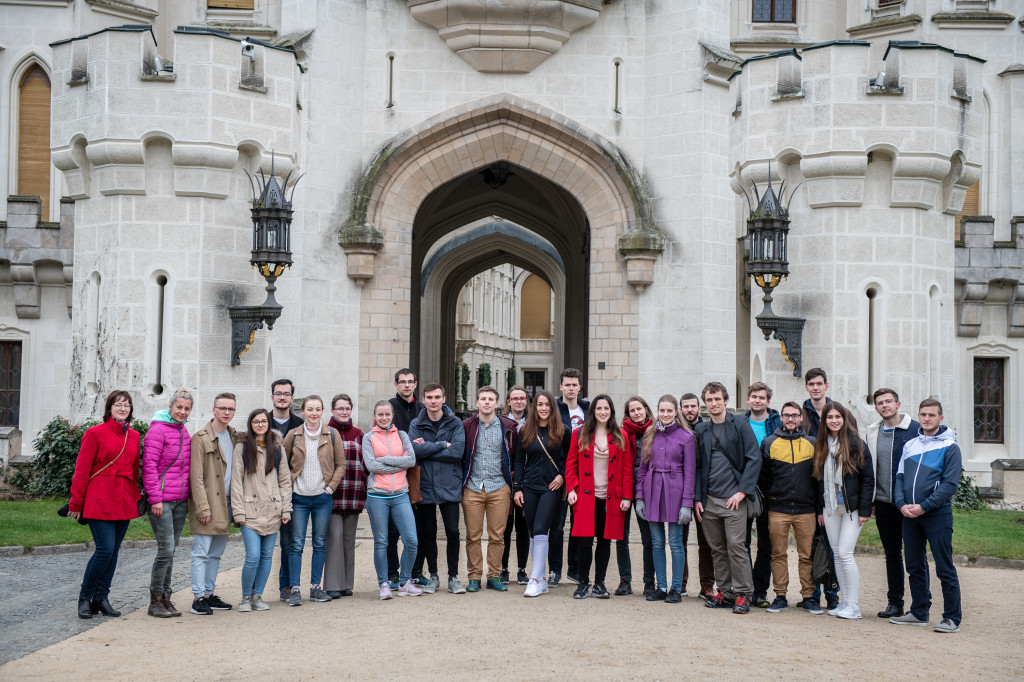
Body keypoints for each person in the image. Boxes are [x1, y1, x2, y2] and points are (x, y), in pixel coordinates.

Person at [67, 390, 142, 619]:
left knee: (114, 552)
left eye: (127, 405)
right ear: (109, 407)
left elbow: (134, 469)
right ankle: (85, 597)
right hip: (99, 497)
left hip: (124, 498)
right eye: (118, 404)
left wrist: (136, 497)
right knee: (104, 550)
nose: (123, 408)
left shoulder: (135, 436)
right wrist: (77, 503)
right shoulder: (94, 433)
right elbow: (82, 471)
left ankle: (101, 598)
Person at [890, 399, 962, 633]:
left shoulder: (950, 447)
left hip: (937, 514)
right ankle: (919, 612)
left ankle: (952, 618)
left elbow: (949, 485)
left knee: (944, 567)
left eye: (932, 415)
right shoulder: (911, 444)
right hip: (909, 514)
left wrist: (924, 506)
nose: (927, 419)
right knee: (914, 565)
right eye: (923, 414)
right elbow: (899, 477)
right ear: (919, 416)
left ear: (940, 418)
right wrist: (901, 504)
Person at [694, 382, 761, 614]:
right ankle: (726, 592)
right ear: (705, 403)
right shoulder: (702, 429)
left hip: (734, 498)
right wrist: (697, 498)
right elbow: (698, 466)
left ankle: (743, 594)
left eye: (717, 399)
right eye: (709, 400)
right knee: (717, 548)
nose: (713, 403)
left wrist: (742, 491)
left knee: (736, 546)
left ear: (726, 401)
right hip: (709, 499)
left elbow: (754, 458)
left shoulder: (740, 424)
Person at [565, 395, 632, 599]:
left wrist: (626, 497)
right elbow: (570, 465)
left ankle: (600, 584)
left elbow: (627, 469)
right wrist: (571, 489)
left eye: (606, 408)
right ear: (593, 411)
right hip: (586, 496)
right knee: (585, 540)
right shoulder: (580, 434)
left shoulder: (621, 436)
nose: (603, 412)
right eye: (599, 408)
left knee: (605, 540)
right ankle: (583, 582)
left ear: (611, 411)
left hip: (611, 497)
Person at [283, 395, 347, 606]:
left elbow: (340, 465)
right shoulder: (293, 435)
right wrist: (289, 490)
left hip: (322, 498)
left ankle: (315, 587)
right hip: (298, 498)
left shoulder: (333, 435)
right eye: (310, 409)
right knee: (297, 544)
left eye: (317, 409)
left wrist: (330, 488)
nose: (313, 413)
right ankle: (294, 589)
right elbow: (283, 466)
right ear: (303, 411)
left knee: (320, 543)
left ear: (323, 411)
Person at [812, 401, 874, 620]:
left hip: (851, 508)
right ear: (825, 421)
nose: (834, 420)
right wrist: (820, 508)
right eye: (830, 417)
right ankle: (845, 602)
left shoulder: (856, 444)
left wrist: (865, 510)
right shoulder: (822, 444)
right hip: (830, 507)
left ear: (844, 419)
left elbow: (868, 480)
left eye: (838, 416)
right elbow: (818, 479)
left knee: (846, 553)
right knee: (837, 554)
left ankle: (854, 606)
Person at [635, 395, 696, 604]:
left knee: (676, 542)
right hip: (653, 491)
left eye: (669, 411)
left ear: (676, 412)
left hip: (676, 492)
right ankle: (661, 586)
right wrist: (640, 497)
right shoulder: (649, 434)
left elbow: (690, 474)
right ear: (657, 411)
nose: (666, 414)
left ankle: (676, 588)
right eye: (662, 411)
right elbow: (642, 470)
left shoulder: (686, 437)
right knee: (657, 542)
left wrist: (687, 503)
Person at [761, 402, 821, 614]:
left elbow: (818, 479)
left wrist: (818, 507)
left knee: (807, 555)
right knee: (778, 554)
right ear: (781, 418)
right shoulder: (770, 443)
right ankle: (780, 596)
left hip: (806, 509)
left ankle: (808, 597)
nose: (790, 419)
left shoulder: (812, 442)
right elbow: (764, 477)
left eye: (795, 415)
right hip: (778, 508)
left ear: (801, 418)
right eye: (786, 415)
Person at [230, 408, 292, 612]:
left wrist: (286, 509)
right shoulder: (242, 447)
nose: (259, 425)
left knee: (267, 557)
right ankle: (245, 597)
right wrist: (238, 512)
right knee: (253, 556)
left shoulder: (277, 448)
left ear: (268, 423)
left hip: (273, 510)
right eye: (255, 421)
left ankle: (258, 595)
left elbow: (284, 481)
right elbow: (236, 482)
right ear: (250, 424)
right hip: (250, 511)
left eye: (263, 421)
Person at [408, 382, 467, 594]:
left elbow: (457, 453)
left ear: (444, 399)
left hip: (449, 484)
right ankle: (433, 575)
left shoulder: (455, 423)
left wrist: (427, 449)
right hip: (424, 485)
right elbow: (414, 451)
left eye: (437, 397)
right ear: (423, 400)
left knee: (452, 531)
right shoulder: (416, 423)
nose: (433, 401)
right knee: (428, 532)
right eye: (429, 398)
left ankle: (453, 577)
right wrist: (442, 444)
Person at [866, 388, 919, 619]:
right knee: (892, 554)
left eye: (889, 401)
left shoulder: (915, 429)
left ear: (898, 404)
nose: (885, 405)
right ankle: (895, 602)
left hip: (908, 504)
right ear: (876, 408)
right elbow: (871, 469)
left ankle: (919, 606)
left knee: (915, 555)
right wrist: (872, 500)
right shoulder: (873, 432)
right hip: (884, 503)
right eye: (880, 403)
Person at [362, 400, 422, 599]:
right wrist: (399, 464)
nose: (384, 418)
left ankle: (404, 581)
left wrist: (385, 460)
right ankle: (383, 584)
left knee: (411, 540)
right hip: (377, 495)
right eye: (380, 414)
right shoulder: (368, 438)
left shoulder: (402, 435)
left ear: (392, 415)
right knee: (381, 541)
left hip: (400, 495)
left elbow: (411, 460)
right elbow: (371, 466)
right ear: (375, 416)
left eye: (387, 414)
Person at [513, 389, 570, 597]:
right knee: (531, 532)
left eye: (547, 405)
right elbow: (519, 460)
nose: (543, 408)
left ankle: (534, 579)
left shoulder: (563, 430)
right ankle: (542, 579)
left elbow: (570, 458)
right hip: (529, 486)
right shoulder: (525, 430)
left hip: (551, 487)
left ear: (552, 407)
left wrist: (562, 476)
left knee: (540, 529)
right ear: (534, 407)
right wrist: (517, 488)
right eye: (540, 405)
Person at [142, 388, 193, 618]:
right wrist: (155, 498)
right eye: (179, 407)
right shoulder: (157, 431)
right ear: (171, 407)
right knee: (166, 549)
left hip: (180, 500)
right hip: (162, 501)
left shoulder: (184, 432)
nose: (182, 411)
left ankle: (166, 598)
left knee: (172, 551)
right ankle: (155, 600)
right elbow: (149, 467)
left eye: (186, 408)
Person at [461, 385, 518, 592]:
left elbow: (515, 457)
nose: (486, 402)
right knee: (473, 535)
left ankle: (494, 575)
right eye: (483, 399)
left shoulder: (508, 427)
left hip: (499, 487)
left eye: (490, 399)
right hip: (473, 486)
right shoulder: (466, 425)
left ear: (497, 403)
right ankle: (474, 576)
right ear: (477, 403)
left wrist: (512, 484)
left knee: (497, 535)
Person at [187, 392, 239, 616]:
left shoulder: (235, 436)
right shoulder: (201, 437)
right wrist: (202, 507)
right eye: (223, 408)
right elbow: (196, 477)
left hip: (228, 503)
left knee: (216, 553)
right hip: (209, 503)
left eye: (231, 409)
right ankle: (197, 597)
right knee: (201, 552)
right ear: (214, 410)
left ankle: (209, 594)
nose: (227, 412)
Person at [801, 367, 840, 610]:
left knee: (833, 544)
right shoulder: (801, 414)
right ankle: (813, 594)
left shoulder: (838, 412)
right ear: (807, 387)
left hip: (833, 484)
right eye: (811, 384)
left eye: (819, 383)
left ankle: (833, 592)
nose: (816, 387)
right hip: (809, 484)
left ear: (826, 385)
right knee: (814, 543)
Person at [323, 393, 367, 598]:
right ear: (332, 411)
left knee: (349, 539)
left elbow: (364, 464)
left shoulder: (359, 434)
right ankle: (333, 584)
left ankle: (347, 583)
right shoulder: (325, 433)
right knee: (334, 538)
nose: (343, 412)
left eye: (347, 409)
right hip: (331, 494)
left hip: (354, 493)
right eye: (340, 408)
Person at [744, 382, 780, 608]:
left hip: (770, 487)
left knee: (766, 544)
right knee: (743, 541)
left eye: (762, 397)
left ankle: (760, 590)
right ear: (748, 399)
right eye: (754, 397)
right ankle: (745, 587)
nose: (757, 400)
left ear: (768, 401)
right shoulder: (739, 422)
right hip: (745, 486)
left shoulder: (776, 423)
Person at [551, 368, 589, 585]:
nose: (571, 388)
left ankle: (574, 569)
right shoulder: (554, 408)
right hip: (559, 472)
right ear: (561, 387)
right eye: (567, 384)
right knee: (556, 526)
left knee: (578, 524)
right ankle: (555, 570)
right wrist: (562, 472)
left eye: (575, 384)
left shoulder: (588, 409)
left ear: (579, 387)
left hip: (583, 474)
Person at [269, 378, 303, 602]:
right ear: (272, 397)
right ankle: (252, 590)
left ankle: (287, 586)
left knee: (289, 541)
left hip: (292, 489)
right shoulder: (260, 421)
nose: (282, 397)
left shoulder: (299, 424)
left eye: (286, 394)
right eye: (278, 393)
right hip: (265, 490)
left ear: (292, 398)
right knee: (263, 543)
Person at [387, 368, 421, 586]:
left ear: (415, 384)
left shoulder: (422, 408)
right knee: (391, 529)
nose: (406, 385)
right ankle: (392, 571)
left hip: (417, 471)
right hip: (394, 472)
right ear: (396, 384)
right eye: (402, 382)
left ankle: (416, 570)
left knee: (416, 526)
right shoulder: (388, 408)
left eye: (410, 382)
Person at [618, 396, 655, 597]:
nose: (636, 413)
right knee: (621, 536)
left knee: (648, 537)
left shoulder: (656, 431)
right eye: (632, 410)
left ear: (646, 409)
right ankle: (625, 580)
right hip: (624, 486)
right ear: (628, 414)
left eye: (639, 409)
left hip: (647, 488)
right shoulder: (621, 433)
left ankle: (650, 580)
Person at [681, 392, 715, 599]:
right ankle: (681, 582)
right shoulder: (675, 430)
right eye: (685, 407)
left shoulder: (706, 430)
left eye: (693, 406)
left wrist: (699, 496)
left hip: (703, 493)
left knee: (706, 542)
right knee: (679, 541)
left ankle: (707, 585)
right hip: (679, 492)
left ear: (699, 408)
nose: (690, 410)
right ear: (681, 409)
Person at [501, 385, 530, 585]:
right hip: (505, 477)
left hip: (527, 479)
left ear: (526, 401)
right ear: (509, 401)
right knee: (504, 527)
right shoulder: (502, 422)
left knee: (523, 527)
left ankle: (521, 568)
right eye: (515, 398)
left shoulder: (534, 422)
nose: (518, 401)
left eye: (522, 398)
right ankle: (503, 568)